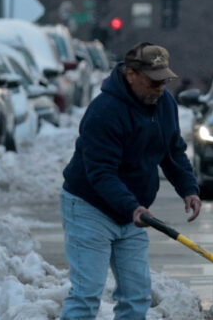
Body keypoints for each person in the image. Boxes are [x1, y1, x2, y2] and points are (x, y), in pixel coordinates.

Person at [60, 41, 201, 320]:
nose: (159, 88)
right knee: (87, 293)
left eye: (164, 81)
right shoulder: (105, 112)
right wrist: (130, 207)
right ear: (131, 74)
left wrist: (188, 188)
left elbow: (172, 150)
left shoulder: (164, 104)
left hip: (133, 212)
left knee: (136, 295)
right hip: (90, 208)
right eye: (153, 81)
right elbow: (100, 172)